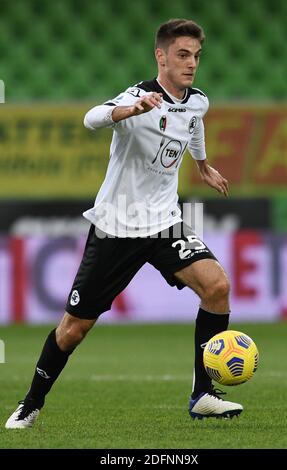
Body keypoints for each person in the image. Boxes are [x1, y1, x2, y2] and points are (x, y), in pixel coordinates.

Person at [5, 18, 242, 429]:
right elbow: (90, 118)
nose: (191, 64)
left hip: (165, 223)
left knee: (217, 287)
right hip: (118, 227)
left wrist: (202, 165)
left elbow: (194, 123)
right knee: (72, 330)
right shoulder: (139, 97)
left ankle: (203, 394)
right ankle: (31, 402)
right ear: (161, 56)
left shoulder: (198, 100)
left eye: (196, 57)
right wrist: (127, 110)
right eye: (183, 55)